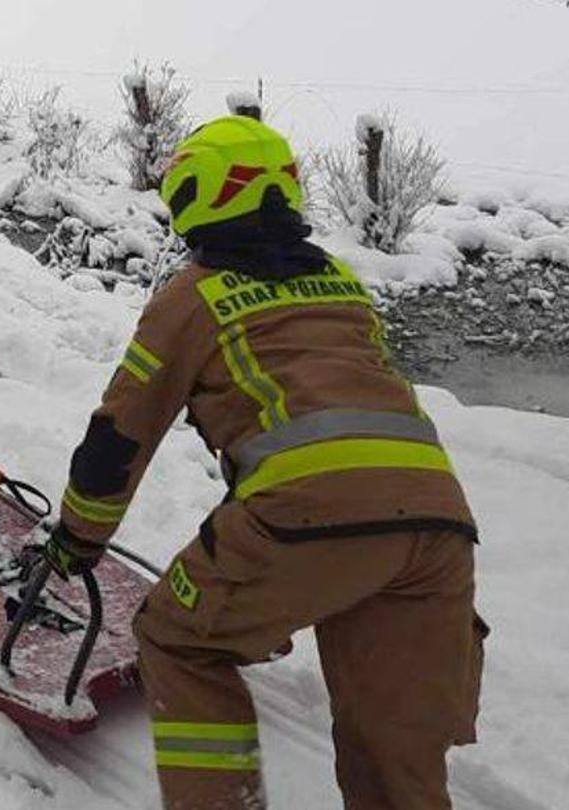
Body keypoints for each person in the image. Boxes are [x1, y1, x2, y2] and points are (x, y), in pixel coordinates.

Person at [39, 116, 486, 809]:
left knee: (177, 639)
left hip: (306, 518)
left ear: (202, 197)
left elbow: (118, 441)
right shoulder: (341, 283)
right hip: (439, 530)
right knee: (392, 745)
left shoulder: (191, 297)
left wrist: (76, 540)